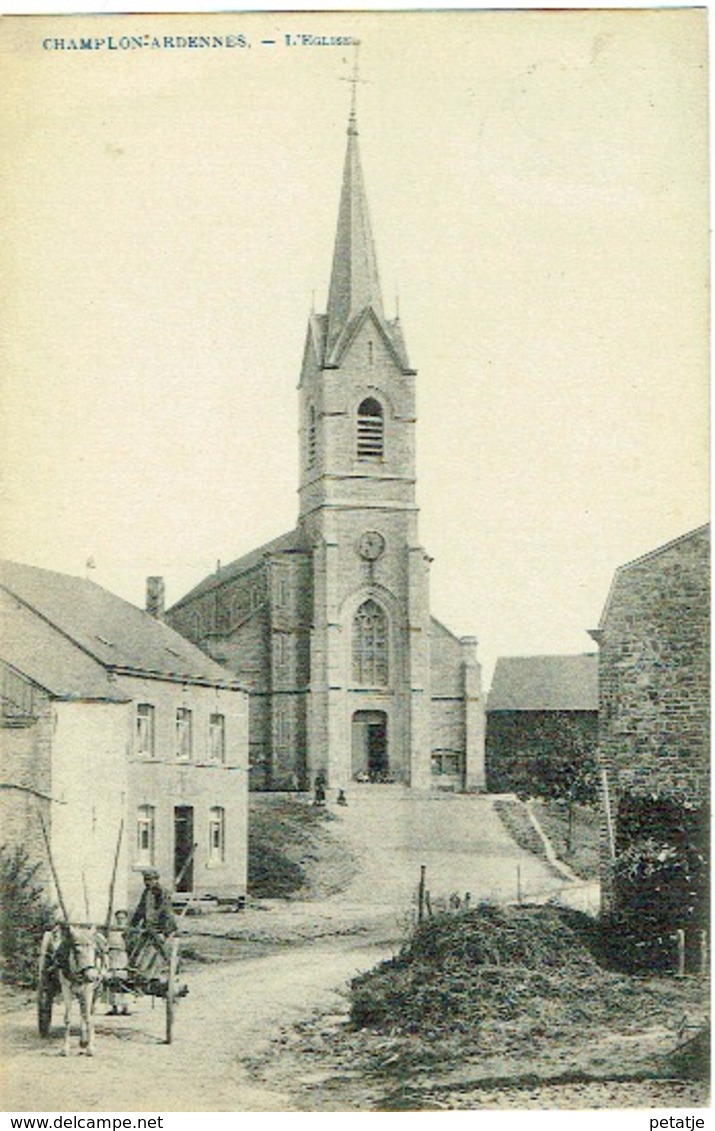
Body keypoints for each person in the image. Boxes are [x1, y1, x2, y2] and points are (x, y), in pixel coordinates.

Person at [129, 870, 177, 985]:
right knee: (138, 947)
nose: (147, 882)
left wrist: (165, 930)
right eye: (145, 880)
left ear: (156, 880)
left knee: (155, 950)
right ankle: (136, 971)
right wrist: (133, 925)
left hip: (160, 928)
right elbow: (140, 909)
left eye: (149, 880)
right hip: (148, 927)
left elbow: (166, 912)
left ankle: (153, 973)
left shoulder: (162, 892)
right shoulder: (146, 892)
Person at [106, 909, 130, 1016]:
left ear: (126, 919)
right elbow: (107, 943)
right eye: (118, 918)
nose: (120, 920)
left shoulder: (129, 930)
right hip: (112, 957)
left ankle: (125, 1007)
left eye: (122, 918)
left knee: (124, 981)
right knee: (112, 981)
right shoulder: (112, 931)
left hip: (123, 956)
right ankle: (114, 1007)